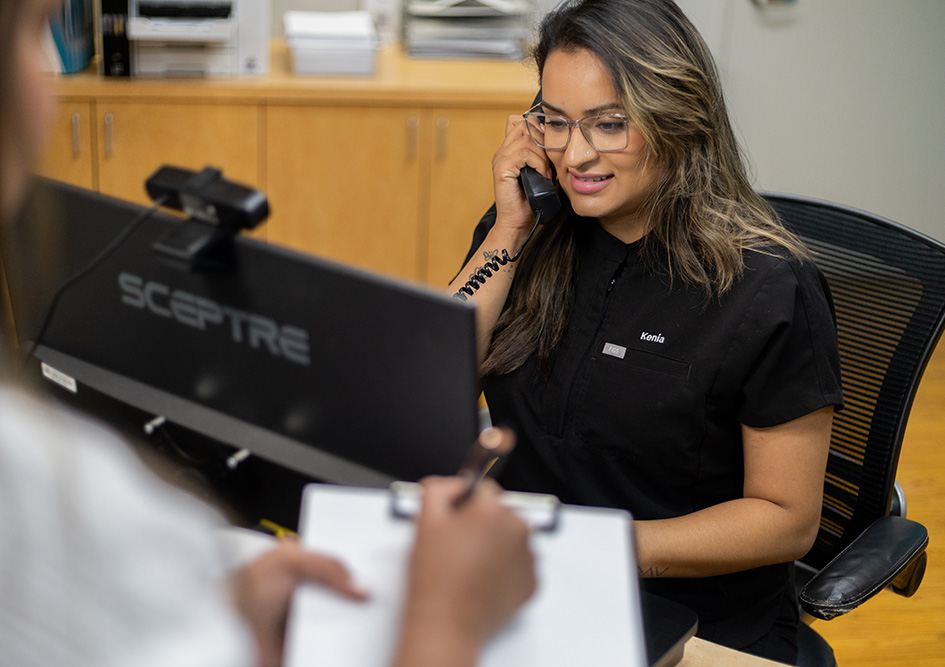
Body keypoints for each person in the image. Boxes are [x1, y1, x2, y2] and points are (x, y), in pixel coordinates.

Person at [0, 2, 535, 666]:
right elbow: (440, 355)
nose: (49, 79)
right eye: (31, 34)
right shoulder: (27, 482)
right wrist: (446, 612)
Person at [449, 0, 843, 662]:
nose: (574, 154)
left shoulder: (767, 288)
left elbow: (785, 517)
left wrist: (604, 545)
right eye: (553, 120)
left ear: (676, 119)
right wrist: (508, 231)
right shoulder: (530, 234)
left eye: (608, 125)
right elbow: (431, 374)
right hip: (522, 581)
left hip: (685, 617)